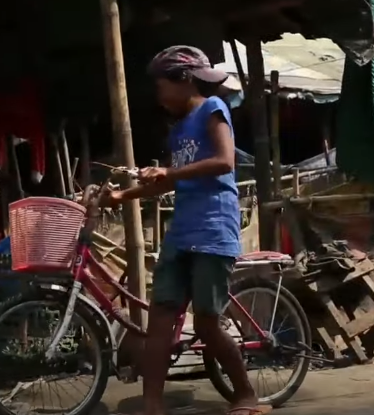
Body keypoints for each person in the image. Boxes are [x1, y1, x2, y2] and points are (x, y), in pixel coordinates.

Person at [102, 45, 266, 415]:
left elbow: (224, 161)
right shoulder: (178, 133)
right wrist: (122, 195)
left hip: (212, 228)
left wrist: (170, 173)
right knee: (160, 320)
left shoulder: (212, 109)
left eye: (162, 86)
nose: (159, 95)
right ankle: (152, 406)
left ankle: (246, 395)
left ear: (184, 80)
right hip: (182, 232)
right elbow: (167, 183)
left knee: (207, 323)